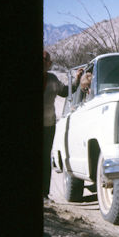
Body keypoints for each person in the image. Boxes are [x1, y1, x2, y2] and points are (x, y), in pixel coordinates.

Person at [43, 50, 83, 200]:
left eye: (45, 61)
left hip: (48, 125)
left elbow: (66, 91)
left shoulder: (52, 80)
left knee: (45, 158)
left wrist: (77, 79)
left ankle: (44, 195)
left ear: (49, 64)